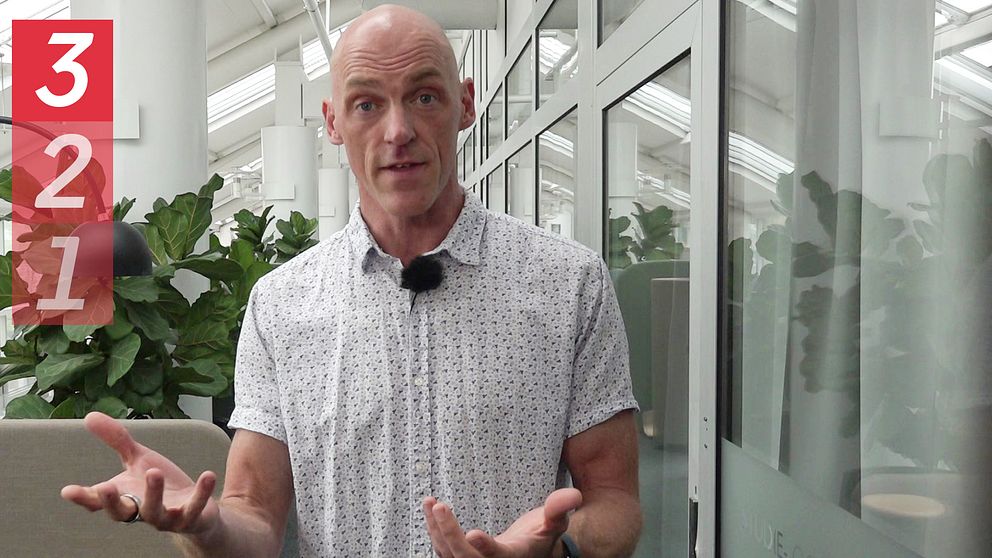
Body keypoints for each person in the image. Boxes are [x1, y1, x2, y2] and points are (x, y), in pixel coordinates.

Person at [61, 4, 642, 557]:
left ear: (465, 104)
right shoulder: (280, 306)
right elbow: (254, 515)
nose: (398, 130)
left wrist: (555, 547)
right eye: (367, 104)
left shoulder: (568, 284)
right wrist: (208, 527)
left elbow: (616, 503)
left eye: (424, 97)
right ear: (333, 122)